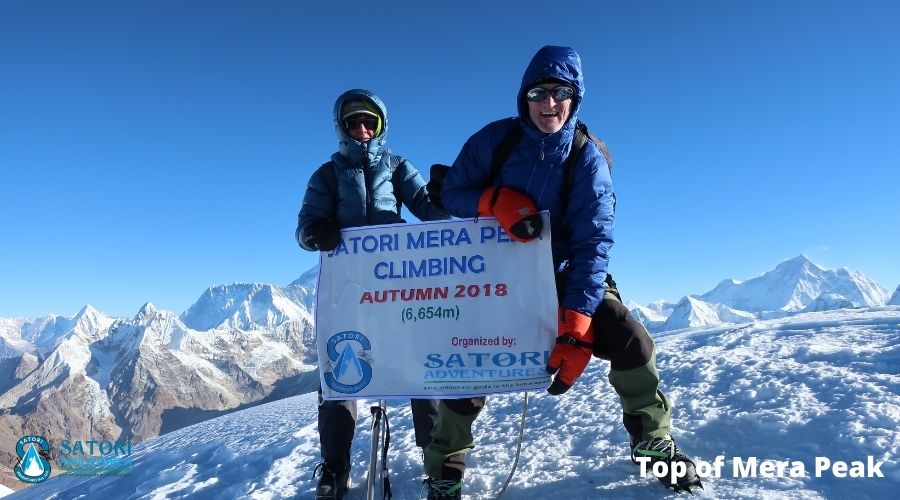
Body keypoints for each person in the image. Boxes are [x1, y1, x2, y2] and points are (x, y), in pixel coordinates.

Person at [424, 46, 701, 499]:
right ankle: (444, 469)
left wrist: (577, 319)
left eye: (560, 92)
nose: (548, 103)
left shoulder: (586, 157)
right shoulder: (495, 141)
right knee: (468, 363)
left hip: (567, 274)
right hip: (498, 277)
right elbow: (452, 190)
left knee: (631, 341)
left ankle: (652, 441)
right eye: (539, 91)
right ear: (524, 96)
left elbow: (594, 243)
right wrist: (492, 201)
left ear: (576, 97)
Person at [296, 89, 448, 500]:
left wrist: (449, 199)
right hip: (347, 291)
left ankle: (436, 463)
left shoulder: (398, 167)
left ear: (380, 126)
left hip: (396, 288)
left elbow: (427, 209)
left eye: (369, 122)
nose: (362, 130)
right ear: (341, 128)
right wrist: (315, 234)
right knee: (340, 372)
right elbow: (305, 225)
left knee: (420, 368)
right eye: (353, 123)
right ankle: (335, 466)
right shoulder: (326, 175)